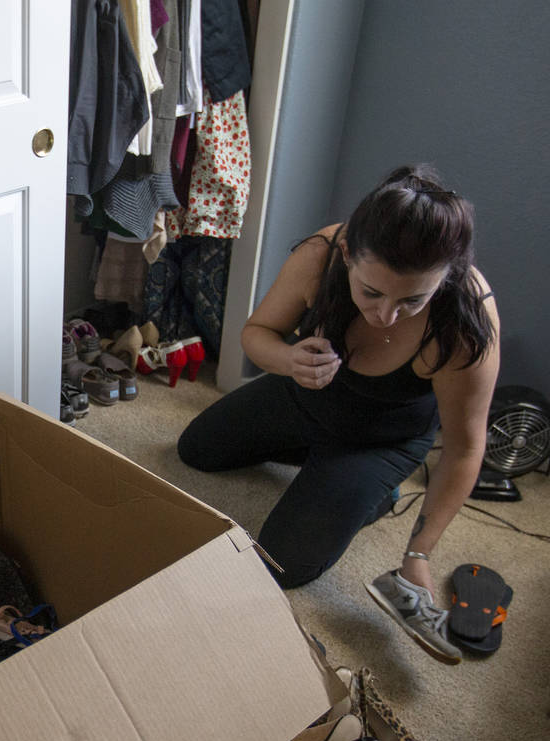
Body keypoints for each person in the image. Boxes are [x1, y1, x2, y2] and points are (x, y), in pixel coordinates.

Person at [177, 165, 500, 664]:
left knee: (282, 565)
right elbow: (256, 333)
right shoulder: (321, 254)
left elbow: (464, 448)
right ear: (348, 254)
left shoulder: (465, 321)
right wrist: (288, 360)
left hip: (381, 441)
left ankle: (368, 489)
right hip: (303, 398)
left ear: (446, 277)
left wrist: (418, 555)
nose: (386, 315)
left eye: (413, 300)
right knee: (195, 450)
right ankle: (330, 477)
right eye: (371, 292)